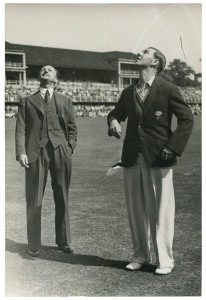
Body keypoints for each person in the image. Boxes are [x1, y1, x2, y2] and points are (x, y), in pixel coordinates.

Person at [107, 47, 194, 275]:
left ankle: (165, 260)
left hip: (159, 157)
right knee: (136, 209)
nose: (139, 52)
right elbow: (115, 113)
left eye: (144, 51)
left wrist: (172, 147)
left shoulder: (168, 89)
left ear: (154, 62)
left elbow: (186, 120)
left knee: (161, 209)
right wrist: (114, 121)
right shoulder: (128, 92)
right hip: (131, 157)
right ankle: (140, 256)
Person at [15, 65, 77, 257]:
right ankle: (34, 244)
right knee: (34, 199)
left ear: (56, 79)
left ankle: (64, 241)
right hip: (35, 152)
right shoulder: (27, 101)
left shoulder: (66, 101)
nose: (45, 70)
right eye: (43, 69)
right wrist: (21, 152)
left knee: (62, 196)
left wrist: (69, 147)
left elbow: (73, 129)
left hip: (60, 151)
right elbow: (21, 129)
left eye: (50, 70)